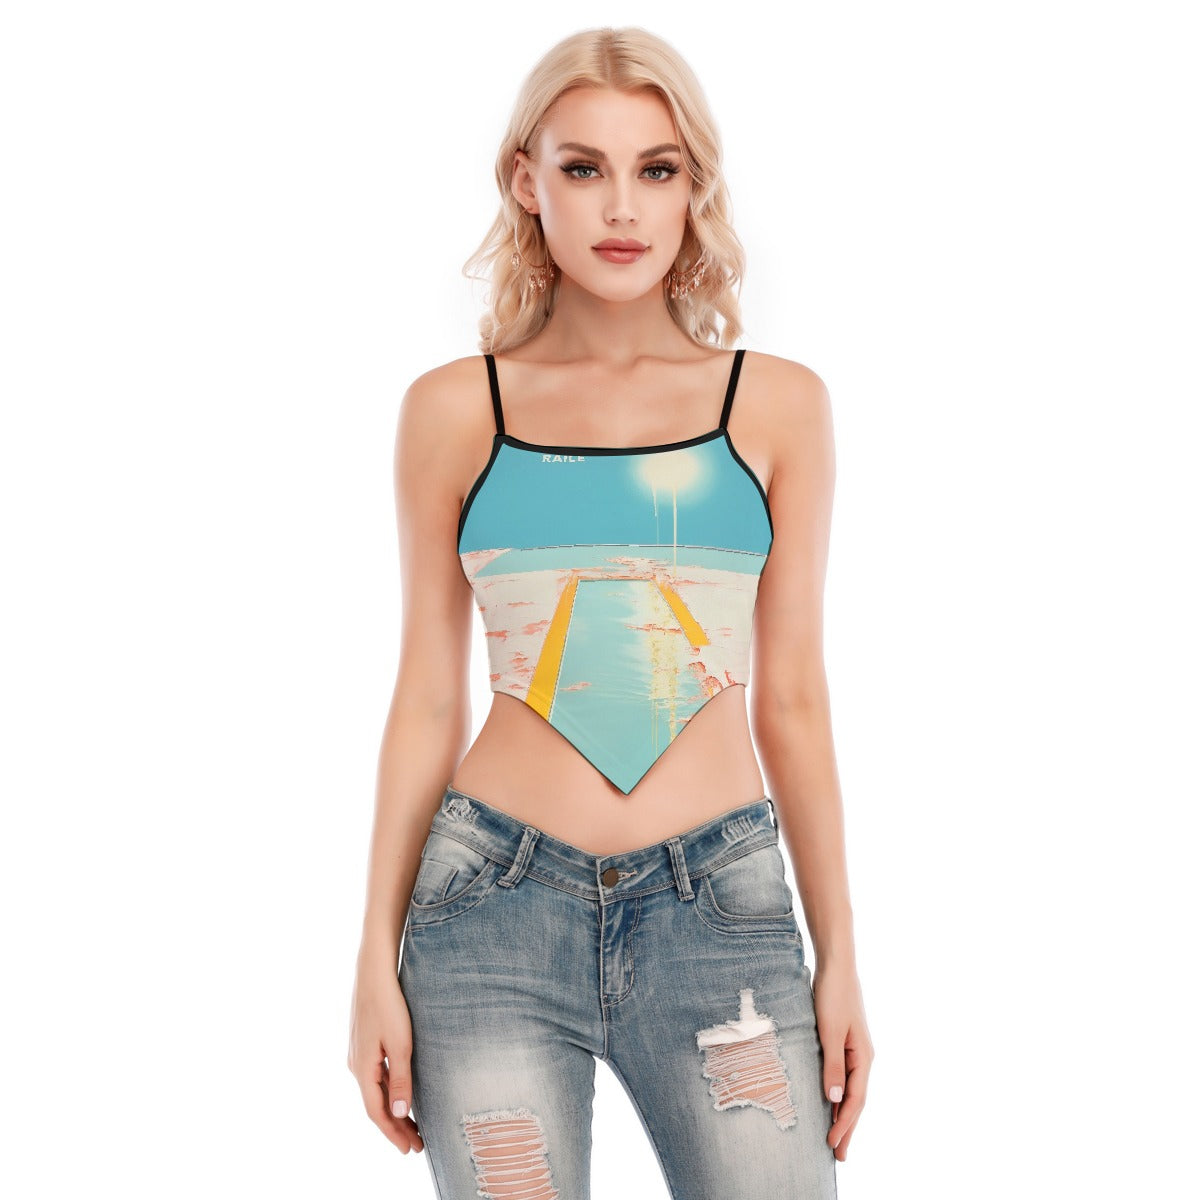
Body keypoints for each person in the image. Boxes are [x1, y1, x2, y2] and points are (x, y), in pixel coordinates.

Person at [348, 25, 873, 1198]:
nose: (622, 206)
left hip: (721, 913)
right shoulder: (456, 412)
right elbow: (427, 694)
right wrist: (373, 958)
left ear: (695, 189)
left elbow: (792, 697)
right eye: (583, 168)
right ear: (526, 183)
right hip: (489, 914)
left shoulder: (774, 408)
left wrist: (840, 956)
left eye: (657, 168)